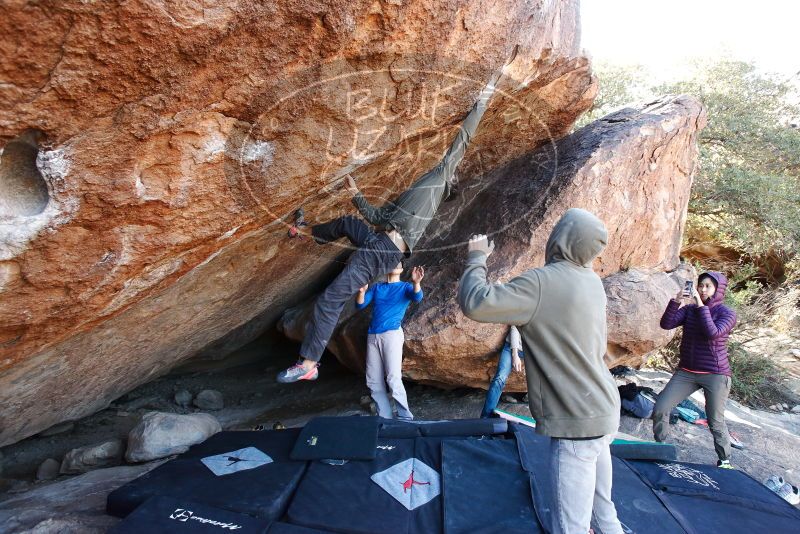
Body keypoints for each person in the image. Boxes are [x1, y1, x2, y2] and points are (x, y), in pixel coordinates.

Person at [276, 51, 516, 384]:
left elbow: (463, 139)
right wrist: (356, 192)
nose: (446, 169)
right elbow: (376, 215)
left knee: (330, 299)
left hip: (384, 252)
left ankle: (309, 362)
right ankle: (306, 230)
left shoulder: (441, 180)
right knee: (347, 224)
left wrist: (487, 92)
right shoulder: (411, 194)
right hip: (379, 239)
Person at [457, 209, 624, 534]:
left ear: (561, 236)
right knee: (604, 513)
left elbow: (476, 303)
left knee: (570, 527)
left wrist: (476, 259)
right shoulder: (592, 282)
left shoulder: (542, 283)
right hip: (604, 411)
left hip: (576, 422)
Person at [653, 271, 737, 468]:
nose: (702, 289)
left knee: (715, 421)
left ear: (718, 290)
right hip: (687, 372)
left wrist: (701, 306)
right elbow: (666, 324)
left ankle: (724, 460)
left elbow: (712, 333)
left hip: (715, 374)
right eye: (701, 285)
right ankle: (660, 446)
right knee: (661, 407)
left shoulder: (727, 313)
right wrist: (675, 301)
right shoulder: (690, 309)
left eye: (708, 286)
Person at [356, 263, 424, 420]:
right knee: (373, 380)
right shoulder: (377, 287)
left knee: (393, 377)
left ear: (402, 269)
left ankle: (406, 417)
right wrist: (361, 291)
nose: (395, 264)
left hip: (391, 334)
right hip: (372, 335)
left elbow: (418, 297)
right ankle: (385, 417)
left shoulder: (405, 287)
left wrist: (417, 283)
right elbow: (360, 305)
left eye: (398, 263)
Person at [479, 326, 524, 418]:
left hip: (531, 352)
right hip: (511, 347)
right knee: (499, 378)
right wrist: (515, 355)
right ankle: (485, 418)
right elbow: (514, 328)